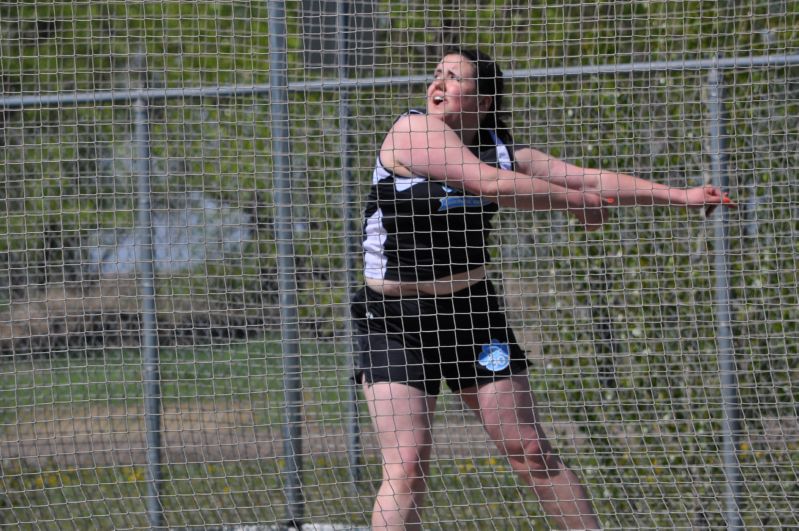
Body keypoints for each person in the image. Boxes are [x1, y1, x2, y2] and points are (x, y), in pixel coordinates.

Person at [350, 47, 733, 530]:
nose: (438, 85)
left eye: (454, 77)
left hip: (472, 316)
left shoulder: (503, 150)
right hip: (394, 321)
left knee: (529, 449)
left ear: (484, 101)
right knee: (406, 466)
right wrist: (574, 202)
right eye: (436, 75)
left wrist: (680, 196)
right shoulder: (412, 130)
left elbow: (587, 177)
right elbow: (491, 186)